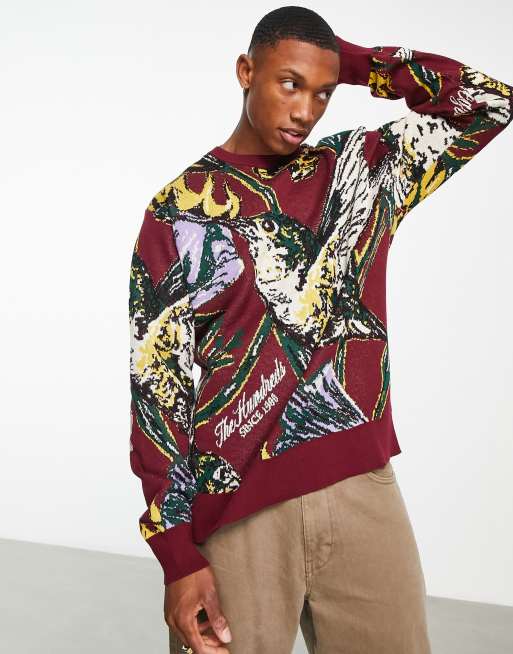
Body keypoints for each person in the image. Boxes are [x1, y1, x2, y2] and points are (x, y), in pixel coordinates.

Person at [128, 6, 513, 653]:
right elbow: (155, 388)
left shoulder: (360, 169)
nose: (306, 109)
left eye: (322, 92)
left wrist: (352, 62)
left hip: (360, 486)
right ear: (246, 71)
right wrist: (176, 556)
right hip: (234, 508)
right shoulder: (180, 210)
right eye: (289, 83)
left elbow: (489, 103)